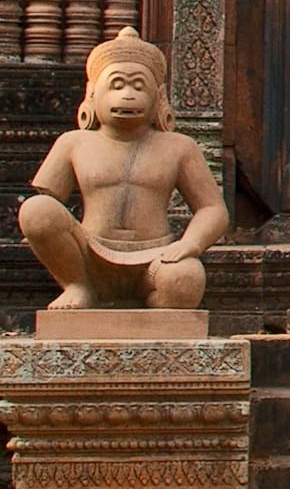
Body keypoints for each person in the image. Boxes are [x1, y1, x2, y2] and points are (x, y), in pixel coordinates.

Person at [19, 29, 229, 315]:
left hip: (156, 259)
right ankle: (78, 287)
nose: (128, 95)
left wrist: (190, 245)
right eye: (117, 85)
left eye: (139, 87)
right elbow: (47, 206)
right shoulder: (74, 143)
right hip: (88, 257)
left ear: (159, 97)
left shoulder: (180, 147)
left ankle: (145, 314)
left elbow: (213, 209)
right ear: (92, 93)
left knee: (186, 280)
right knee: (36, 210)